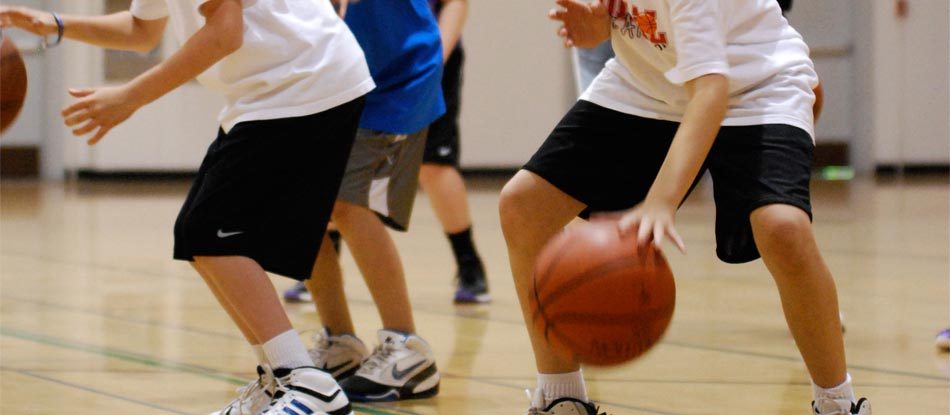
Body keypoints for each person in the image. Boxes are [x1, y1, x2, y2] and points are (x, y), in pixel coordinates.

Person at [0, 1, 373, 414]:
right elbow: (142, 30)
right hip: (275, 89)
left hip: (303, 81)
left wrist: (130, 96)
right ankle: (281, 378)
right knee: (198, 234)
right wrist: (56, 24)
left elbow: (225, 33)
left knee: (209, 233)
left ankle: (306, 383)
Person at [499, 0, 870, 414]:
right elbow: (630, 18)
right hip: (650, 84)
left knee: (782, 228)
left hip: (756, 85)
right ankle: (560, 397)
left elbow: (710, 92)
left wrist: (661, 201)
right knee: (523, 206)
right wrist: (598, 26)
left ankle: (838, 403)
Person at [301, 0, 444, 403]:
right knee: (302, 204)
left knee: (347, 204)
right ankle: (340, 343)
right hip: (332, 74)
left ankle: (406, 347)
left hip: (396, 73)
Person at [418, 0, 491, 304]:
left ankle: (468, 263)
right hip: (359, 55)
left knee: (433, 163)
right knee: (341, 159)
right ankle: (323, 265)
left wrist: (434, 61)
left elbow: (454, 3)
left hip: (423, 56)